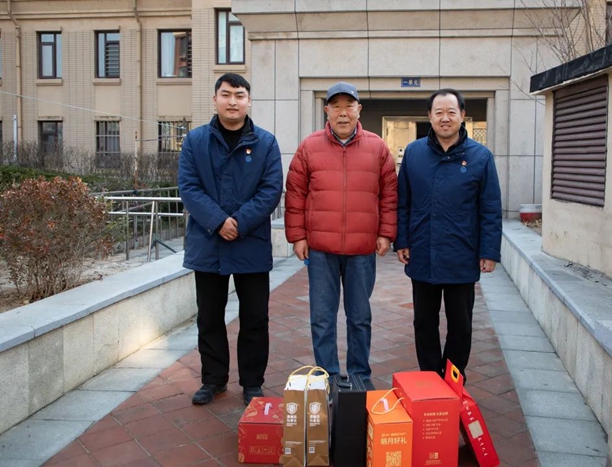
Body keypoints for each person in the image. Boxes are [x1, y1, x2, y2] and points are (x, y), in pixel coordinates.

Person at [178, 73, 283, 406]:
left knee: (255, 318)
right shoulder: (195, 141)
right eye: (226, 95)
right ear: (215, 100)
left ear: (249, 101)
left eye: (239, 95)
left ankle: (252, 382)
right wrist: (218, 222)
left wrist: (238, 223)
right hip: (208, 242)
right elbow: (189, 187)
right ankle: (213, 379)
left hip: (250, 242)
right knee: (209, 316)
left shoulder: (266, 143)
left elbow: (271, 190)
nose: (233, 101)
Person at [284, 82, 398, 382]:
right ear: (327, 110)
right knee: (322, 318)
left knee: (360, 317)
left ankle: (359, 374)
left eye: (349, 106)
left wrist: (386, 233)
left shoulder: (377, 147)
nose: (343, 113)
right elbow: (295, 194)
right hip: (321, 249)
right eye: (336, 106)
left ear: (359, 109)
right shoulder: (309, 146)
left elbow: (389, 195)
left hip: (362, 249)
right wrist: (298, 236)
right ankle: (328, 376)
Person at [394, 89, 502, 379]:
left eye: (451, 112)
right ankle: (430, 377)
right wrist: (402, 240)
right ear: (429, 116)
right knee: (424, 323)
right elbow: (403, 201)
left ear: (462, 116)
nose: (445, 118)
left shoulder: (480, 157)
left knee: (461, 324)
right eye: (439, 112)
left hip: (462, 254)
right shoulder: (414, 153)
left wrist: (489, 251)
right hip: (422, 251)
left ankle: (454, 378)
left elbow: (490, 208)